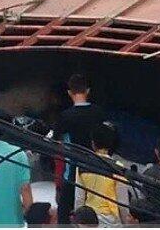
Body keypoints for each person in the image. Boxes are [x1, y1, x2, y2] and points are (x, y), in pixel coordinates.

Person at [55, 74, 106, 224]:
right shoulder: (98, 113)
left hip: (73, 172)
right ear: (88, 91)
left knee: (64, 214)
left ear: (69, 92)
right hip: (98, 169)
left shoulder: (65, 116)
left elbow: (56, 143)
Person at [74, 123, 132, 226]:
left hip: (89, 219)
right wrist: (126, 224)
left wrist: (79, 221)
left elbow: (79, 199)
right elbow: (122, 203)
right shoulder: (118, 168)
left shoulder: (83, 166)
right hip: (112, 221)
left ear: (93, 143)